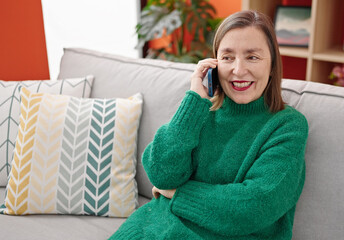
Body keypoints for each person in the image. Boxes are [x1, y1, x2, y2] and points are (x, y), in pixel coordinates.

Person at [110, 10, 308, 240]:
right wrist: (195, 98)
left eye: (252, 57)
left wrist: (176, 193)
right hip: (150, 227)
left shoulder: (287, 126)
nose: (238, 70)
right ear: (214, 64)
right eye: (227, 57)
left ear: (272, 65)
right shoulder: (199, 111)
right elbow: (162, 174)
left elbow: (253, 207)